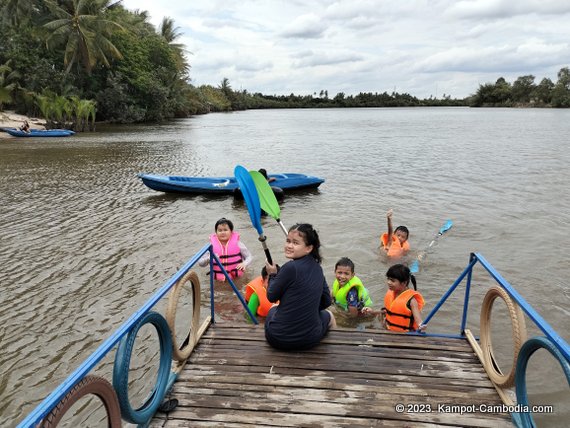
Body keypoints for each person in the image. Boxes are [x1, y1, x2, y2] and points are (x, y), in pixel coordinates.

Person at [264, 223, 336, 350]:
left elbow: (271, 296)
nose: (289, 246)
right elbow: (326, 301)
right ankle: (337, 347)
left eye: (295, 243)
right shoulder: (318, 268)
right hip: (311, 339)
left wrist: (273, 275)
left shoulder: (290, 267)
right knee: (329, 315)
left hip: (279, 338)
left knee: (273, 307)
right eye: (288, 241)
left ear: (308, 248)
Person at [381, 264, 425, 332]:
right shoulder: (391, 294)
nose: (388, 282)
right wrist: (372, 312)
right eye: (388, 279)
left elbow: (418, 321)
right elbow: (387, 311)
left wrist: (421, 326)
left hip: (404, 336)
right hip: (388, 331)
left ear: (404, 283)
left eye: (392, 281)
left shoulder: (412, 301)